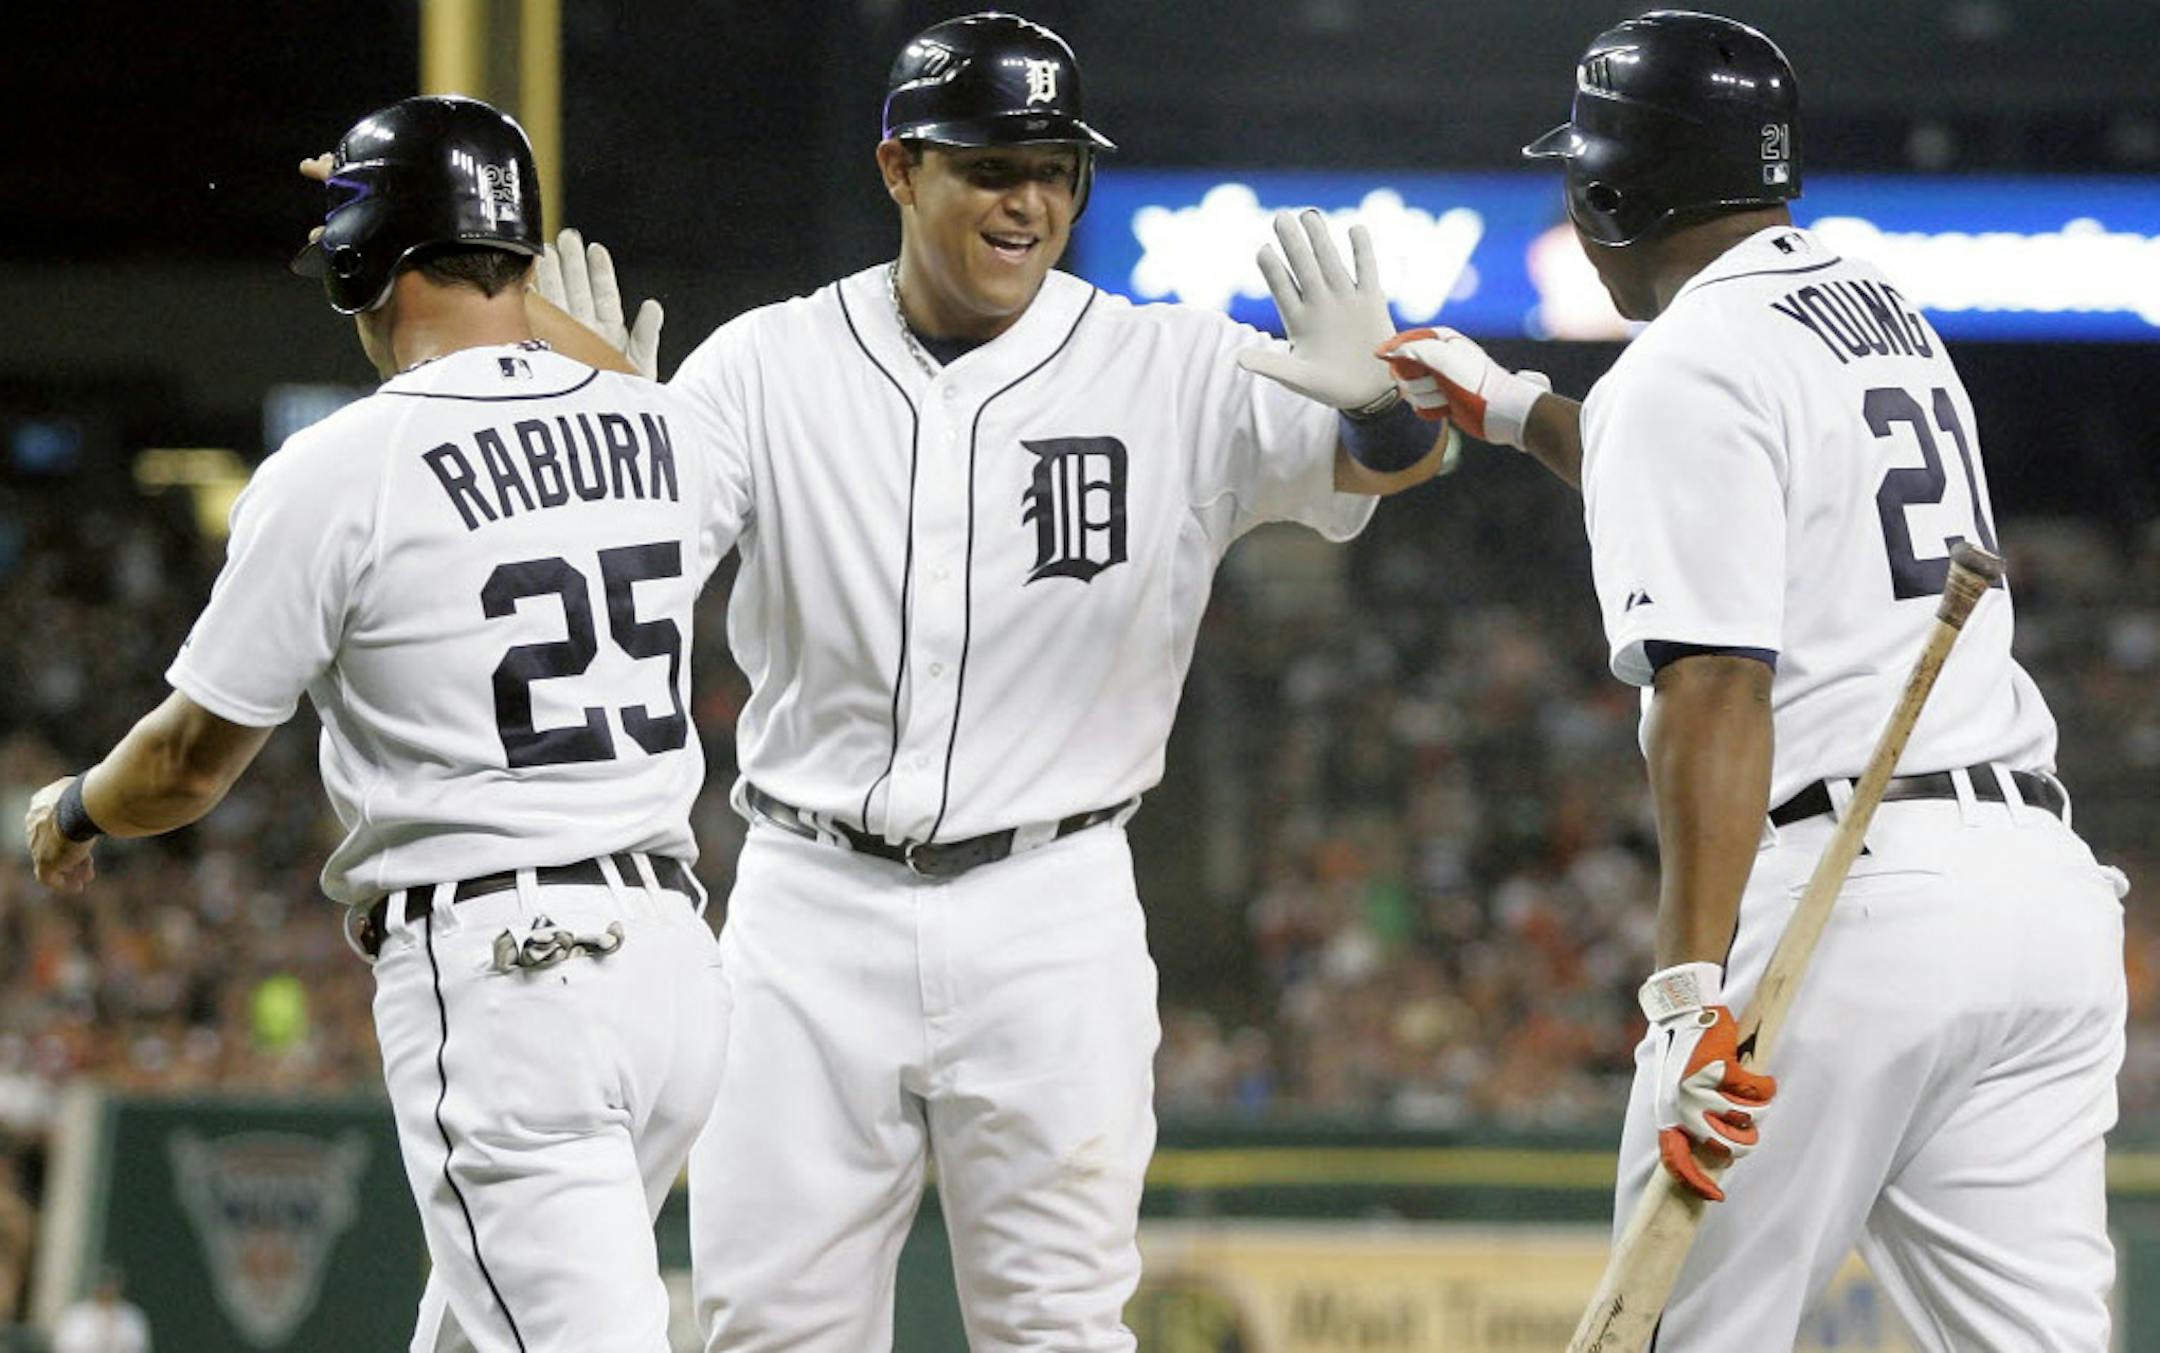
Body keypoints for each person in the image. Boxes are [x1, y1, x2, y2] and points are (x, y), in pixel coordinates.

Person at [543, 12, 1456, 1349]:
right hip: (810, 908)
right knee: (769, 1330)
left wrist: (1384, 409)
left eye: (1054, 167)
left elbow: (1398, 461)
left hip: (1055, 908)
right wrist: (587, 443)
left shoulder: (1172, 362)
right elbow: (622, 574)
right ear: (902, 169)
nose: (1027, 197)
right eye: (988, 165)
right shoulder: (764, 365)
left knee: (1061, 1331)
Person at [1382, 11, 2126, 1348]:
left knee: (1676, 1332)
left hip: (1855, 905)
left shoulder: (1686, 362)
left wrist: (1686, 998)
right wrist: (1504, 404)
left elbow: (1714, 681)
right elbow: (1702, 463)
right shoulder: (1878, 308)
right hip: (2040, 903)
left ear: (1608, 189)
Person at [25, 95, 732, 1352]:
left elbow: (188, 765)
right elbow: (618, 429)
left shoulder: (345, 465)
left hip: (517, 979)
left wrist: (74, 806)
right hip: (675, 969)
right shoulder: (664, 424)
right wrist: (562, 330)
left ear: (365, 263)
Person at [50, 1268, 150, 1353]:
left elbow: (139, 1346)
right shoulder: (76, 1314)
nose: (106, 1290)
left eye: (110, 1285)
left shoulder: (131, 1316)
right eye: (103, 1285)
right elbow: (64, 1345)